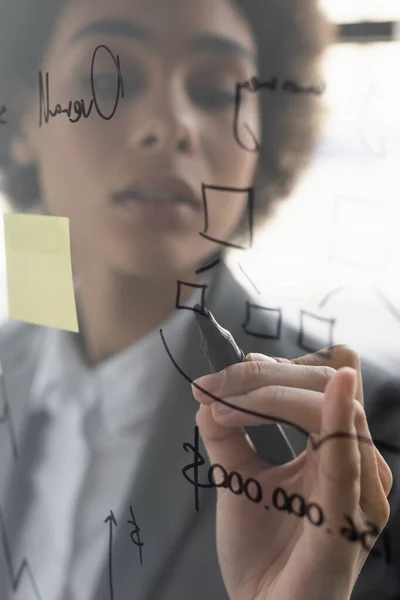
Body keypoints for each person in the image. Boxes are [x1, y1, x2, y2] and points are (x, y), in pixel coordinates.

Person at [0, 0, 397, 599]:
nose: (171, 122)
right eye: (110, 81)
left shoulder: (362, 441)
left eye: (215, 91)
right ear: (24, 119)